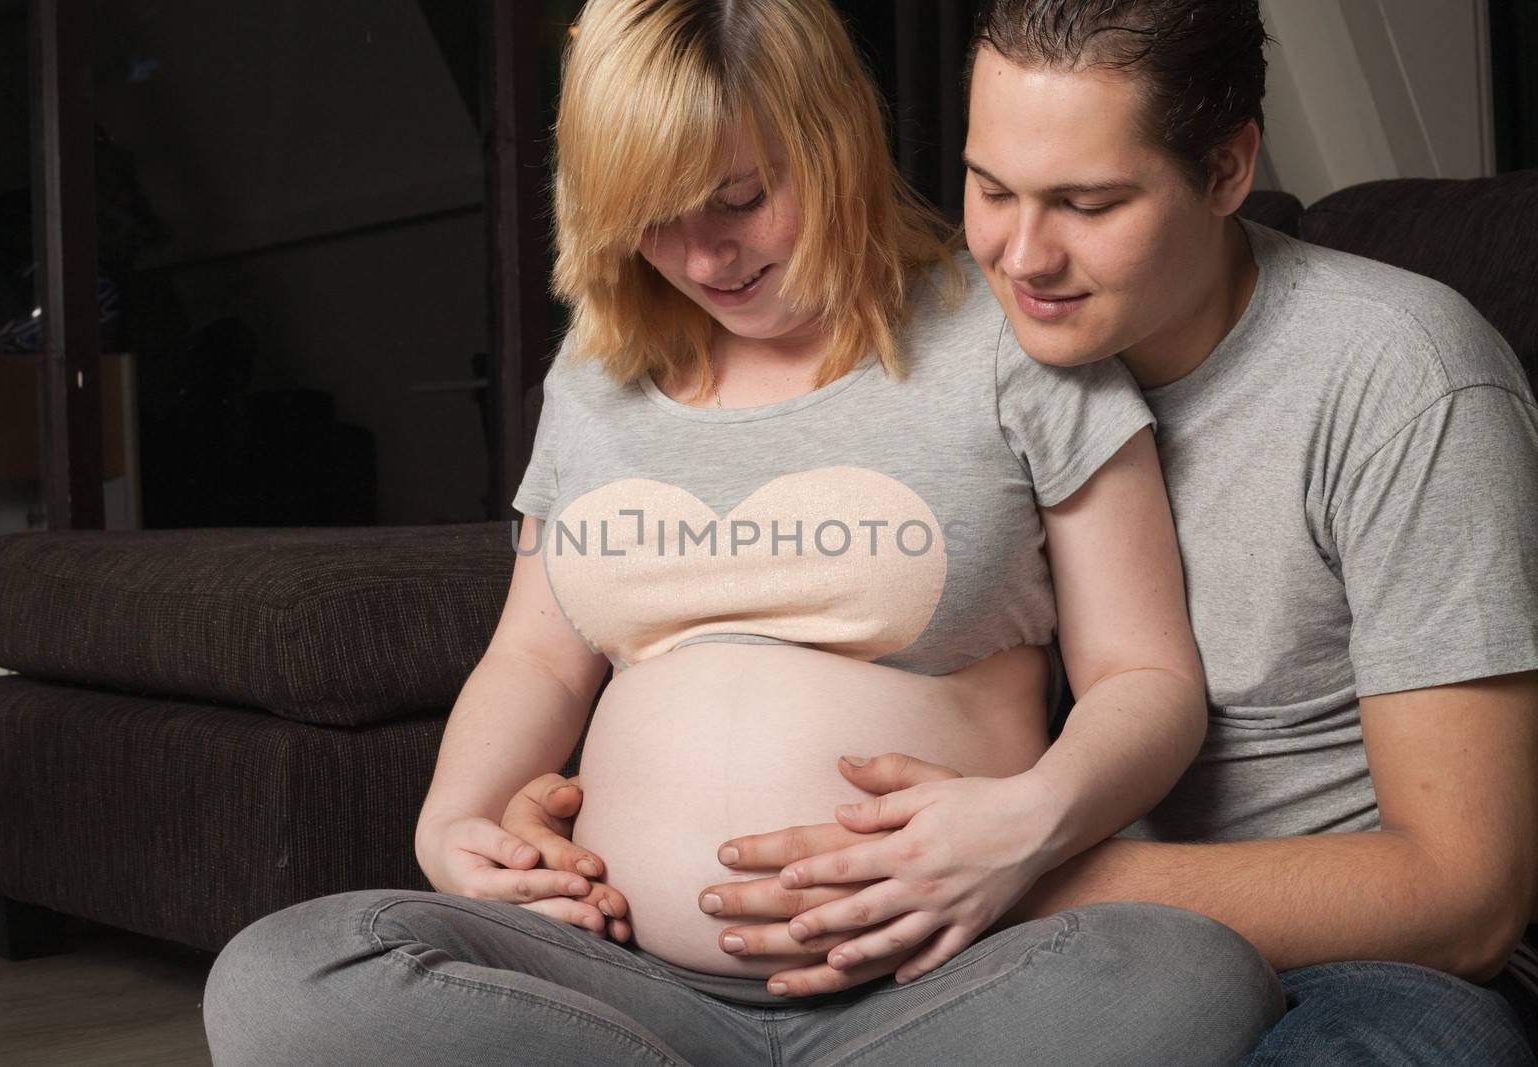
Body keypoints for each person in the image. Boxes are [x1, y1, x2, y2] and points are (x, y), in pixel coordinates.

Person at [201, 0, 1286, 1064]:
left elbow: (1146, 676)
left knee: (1184, 972)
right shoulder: (593, 377)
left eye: (740, 197)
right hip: (616, 985)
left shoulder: (1012, 340)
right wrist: (453, 823)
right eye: (653, 216)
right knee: (283, 974)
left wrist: (1025, 821)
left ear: (833, 133)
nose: (703, 255)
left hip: (937, 973)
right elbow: (533, 655)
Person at [503, 1, 1538, 1063]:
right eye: (989, 188)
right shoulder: (958, 348)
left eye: (1086, 203)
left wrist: (998, 864)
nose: (1020, 256)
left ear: (1228, 172)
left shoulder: (1403, 375)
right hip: (1001, 960)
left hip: (1321, 960)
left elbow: (1466, 898)